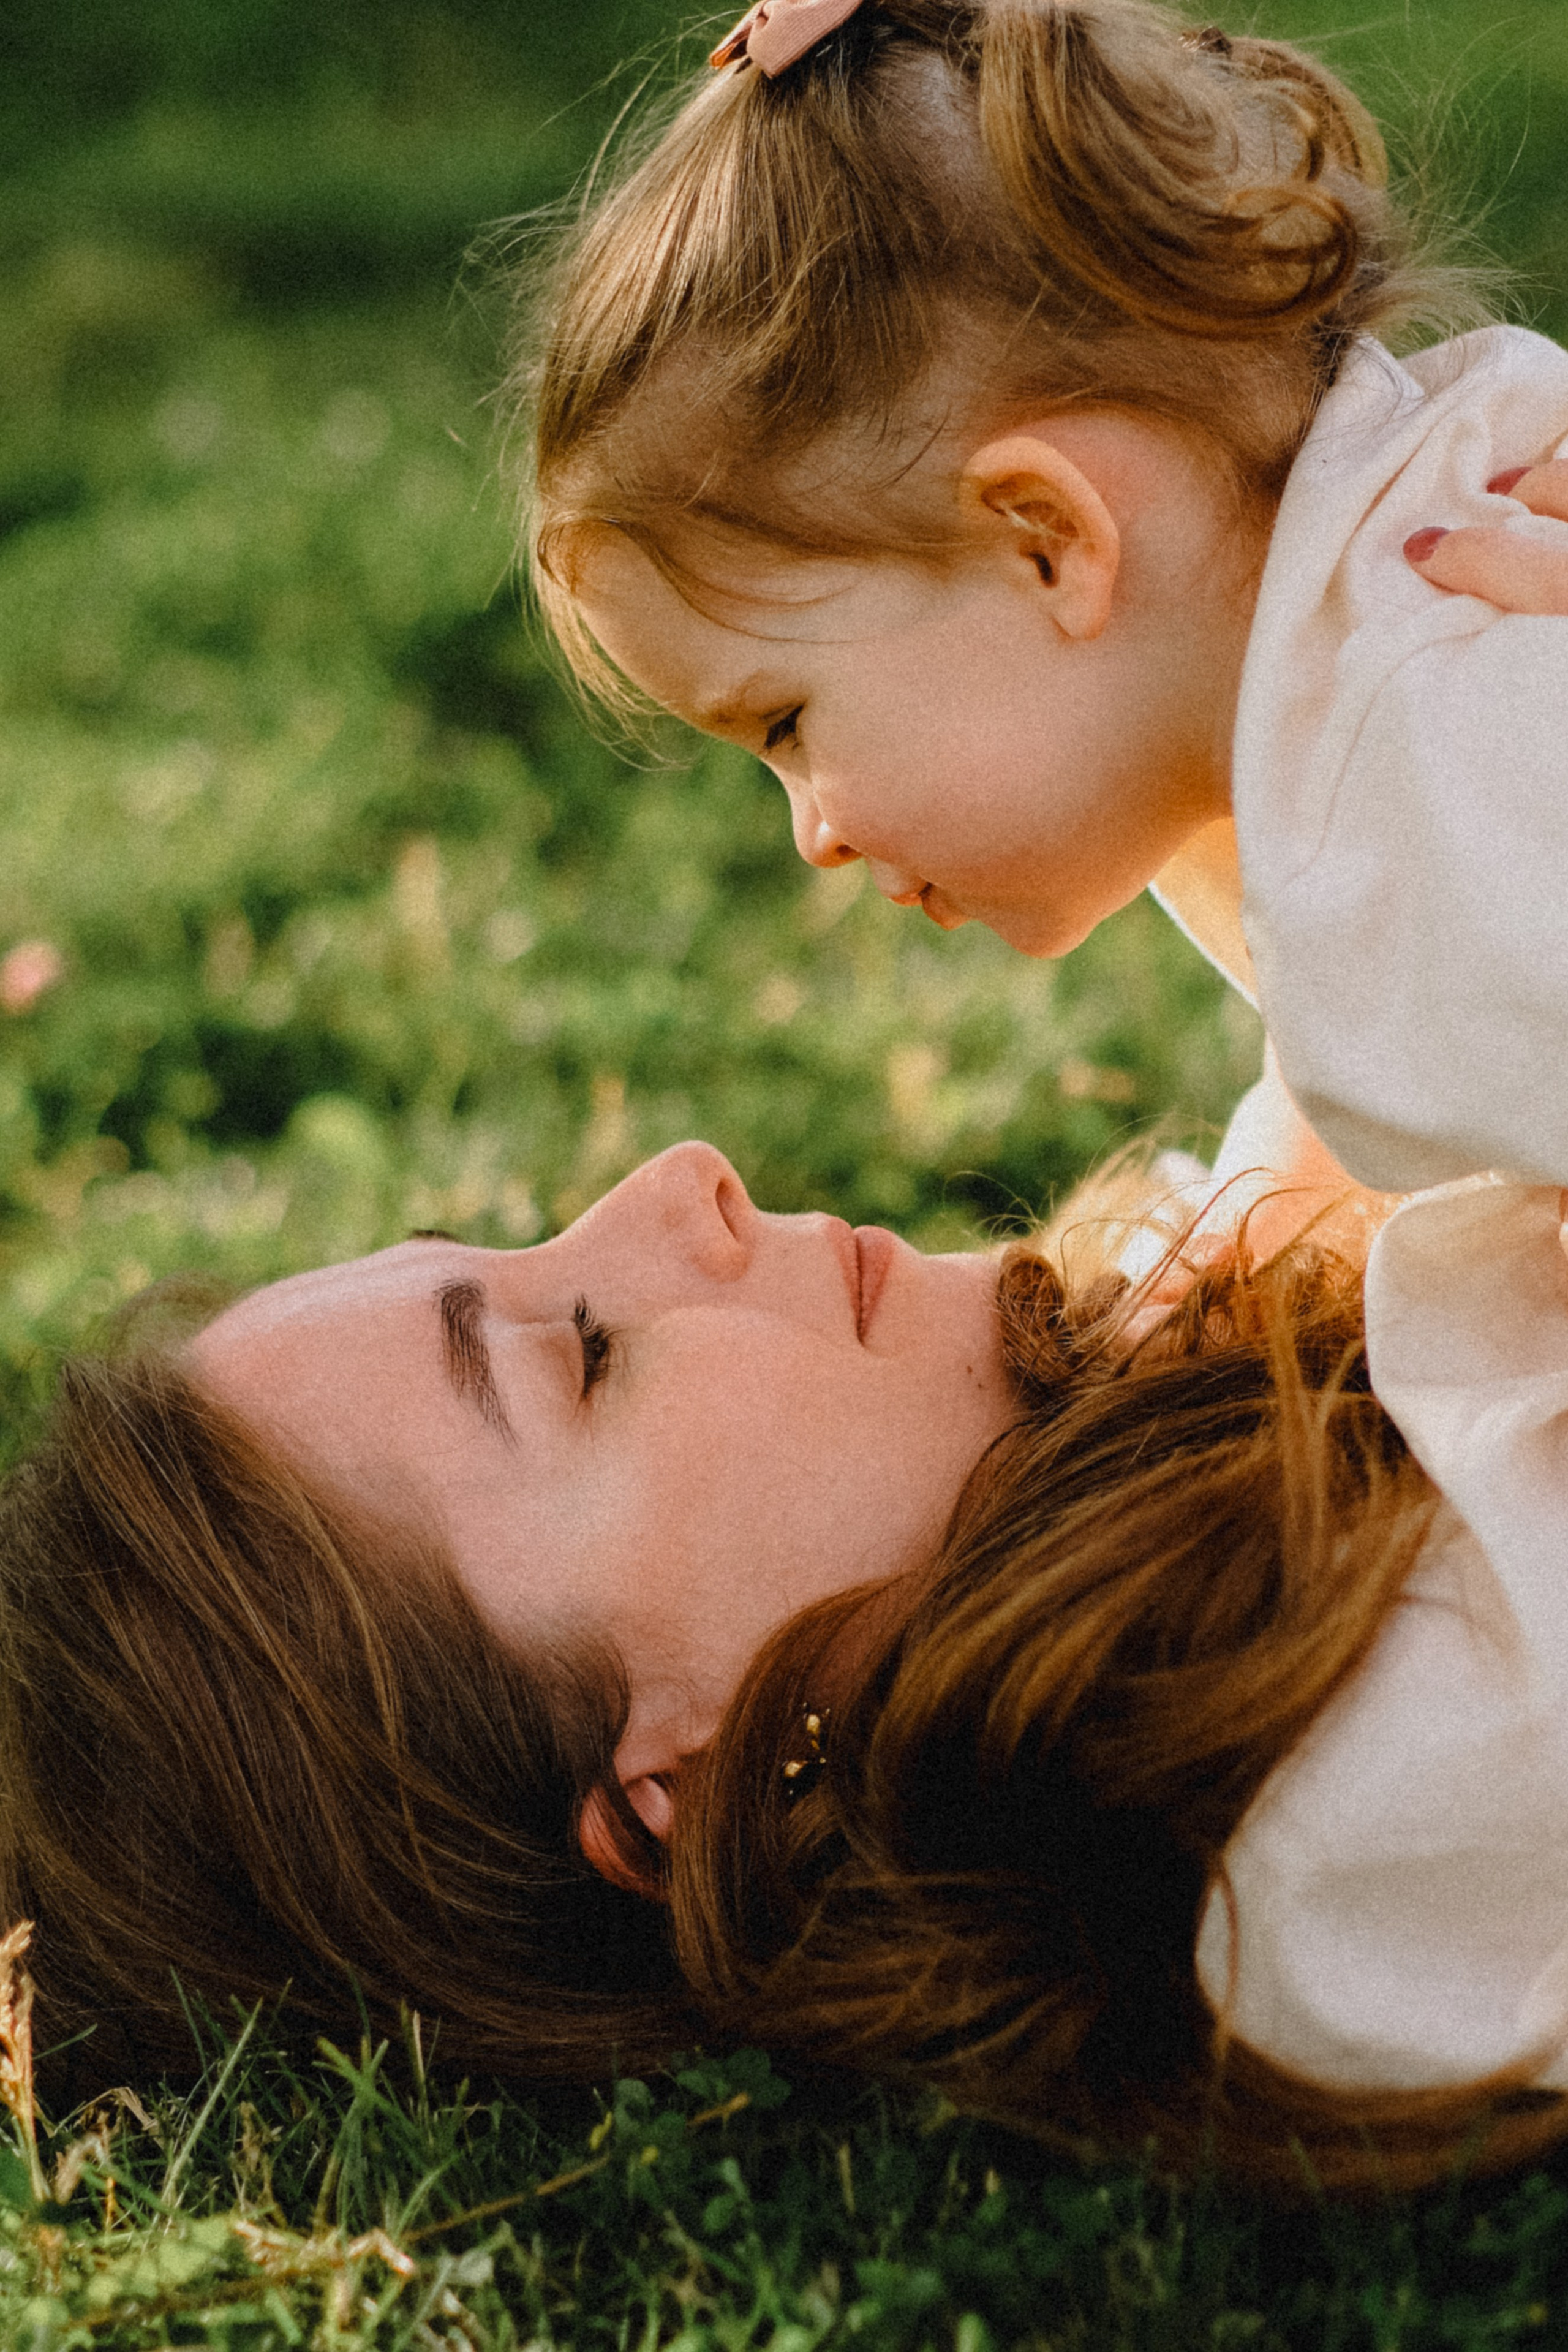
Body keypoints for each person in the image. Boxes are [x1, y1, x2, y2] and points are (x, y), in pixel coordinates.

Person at [516, 0, 1568, 1202]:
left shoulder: (1437, 767)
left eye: (787, 726)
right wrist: (1264, 1203)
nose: (816, 836)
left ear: (1044, 540)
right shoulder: (1344, 672)